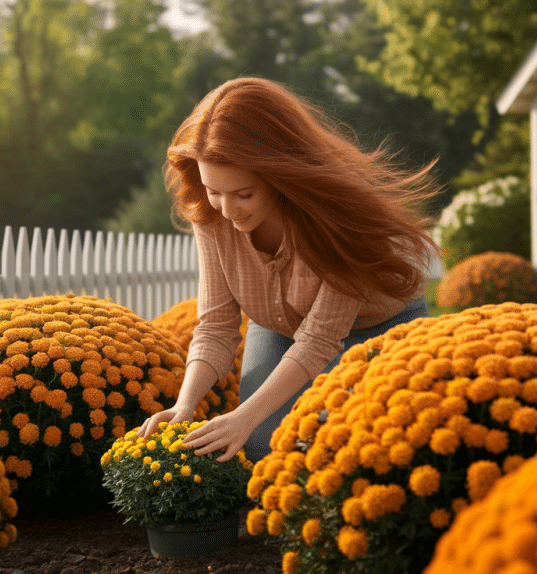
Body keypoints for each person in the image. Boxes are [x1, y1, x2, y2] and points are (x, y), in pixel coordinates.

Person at [137, 77, 443, 463]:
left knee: (356, 446)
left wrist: (244, 416)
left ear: (278, 175)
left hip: (377, 324)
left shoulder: (333, 212)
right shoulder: (211, 214)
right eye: (215, 192)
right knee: (259, 445)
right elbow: (216, 326)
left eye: (244, 194)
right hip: (281, 326)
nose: (228, 211)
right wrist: (184, 406)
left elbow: (320, 337)